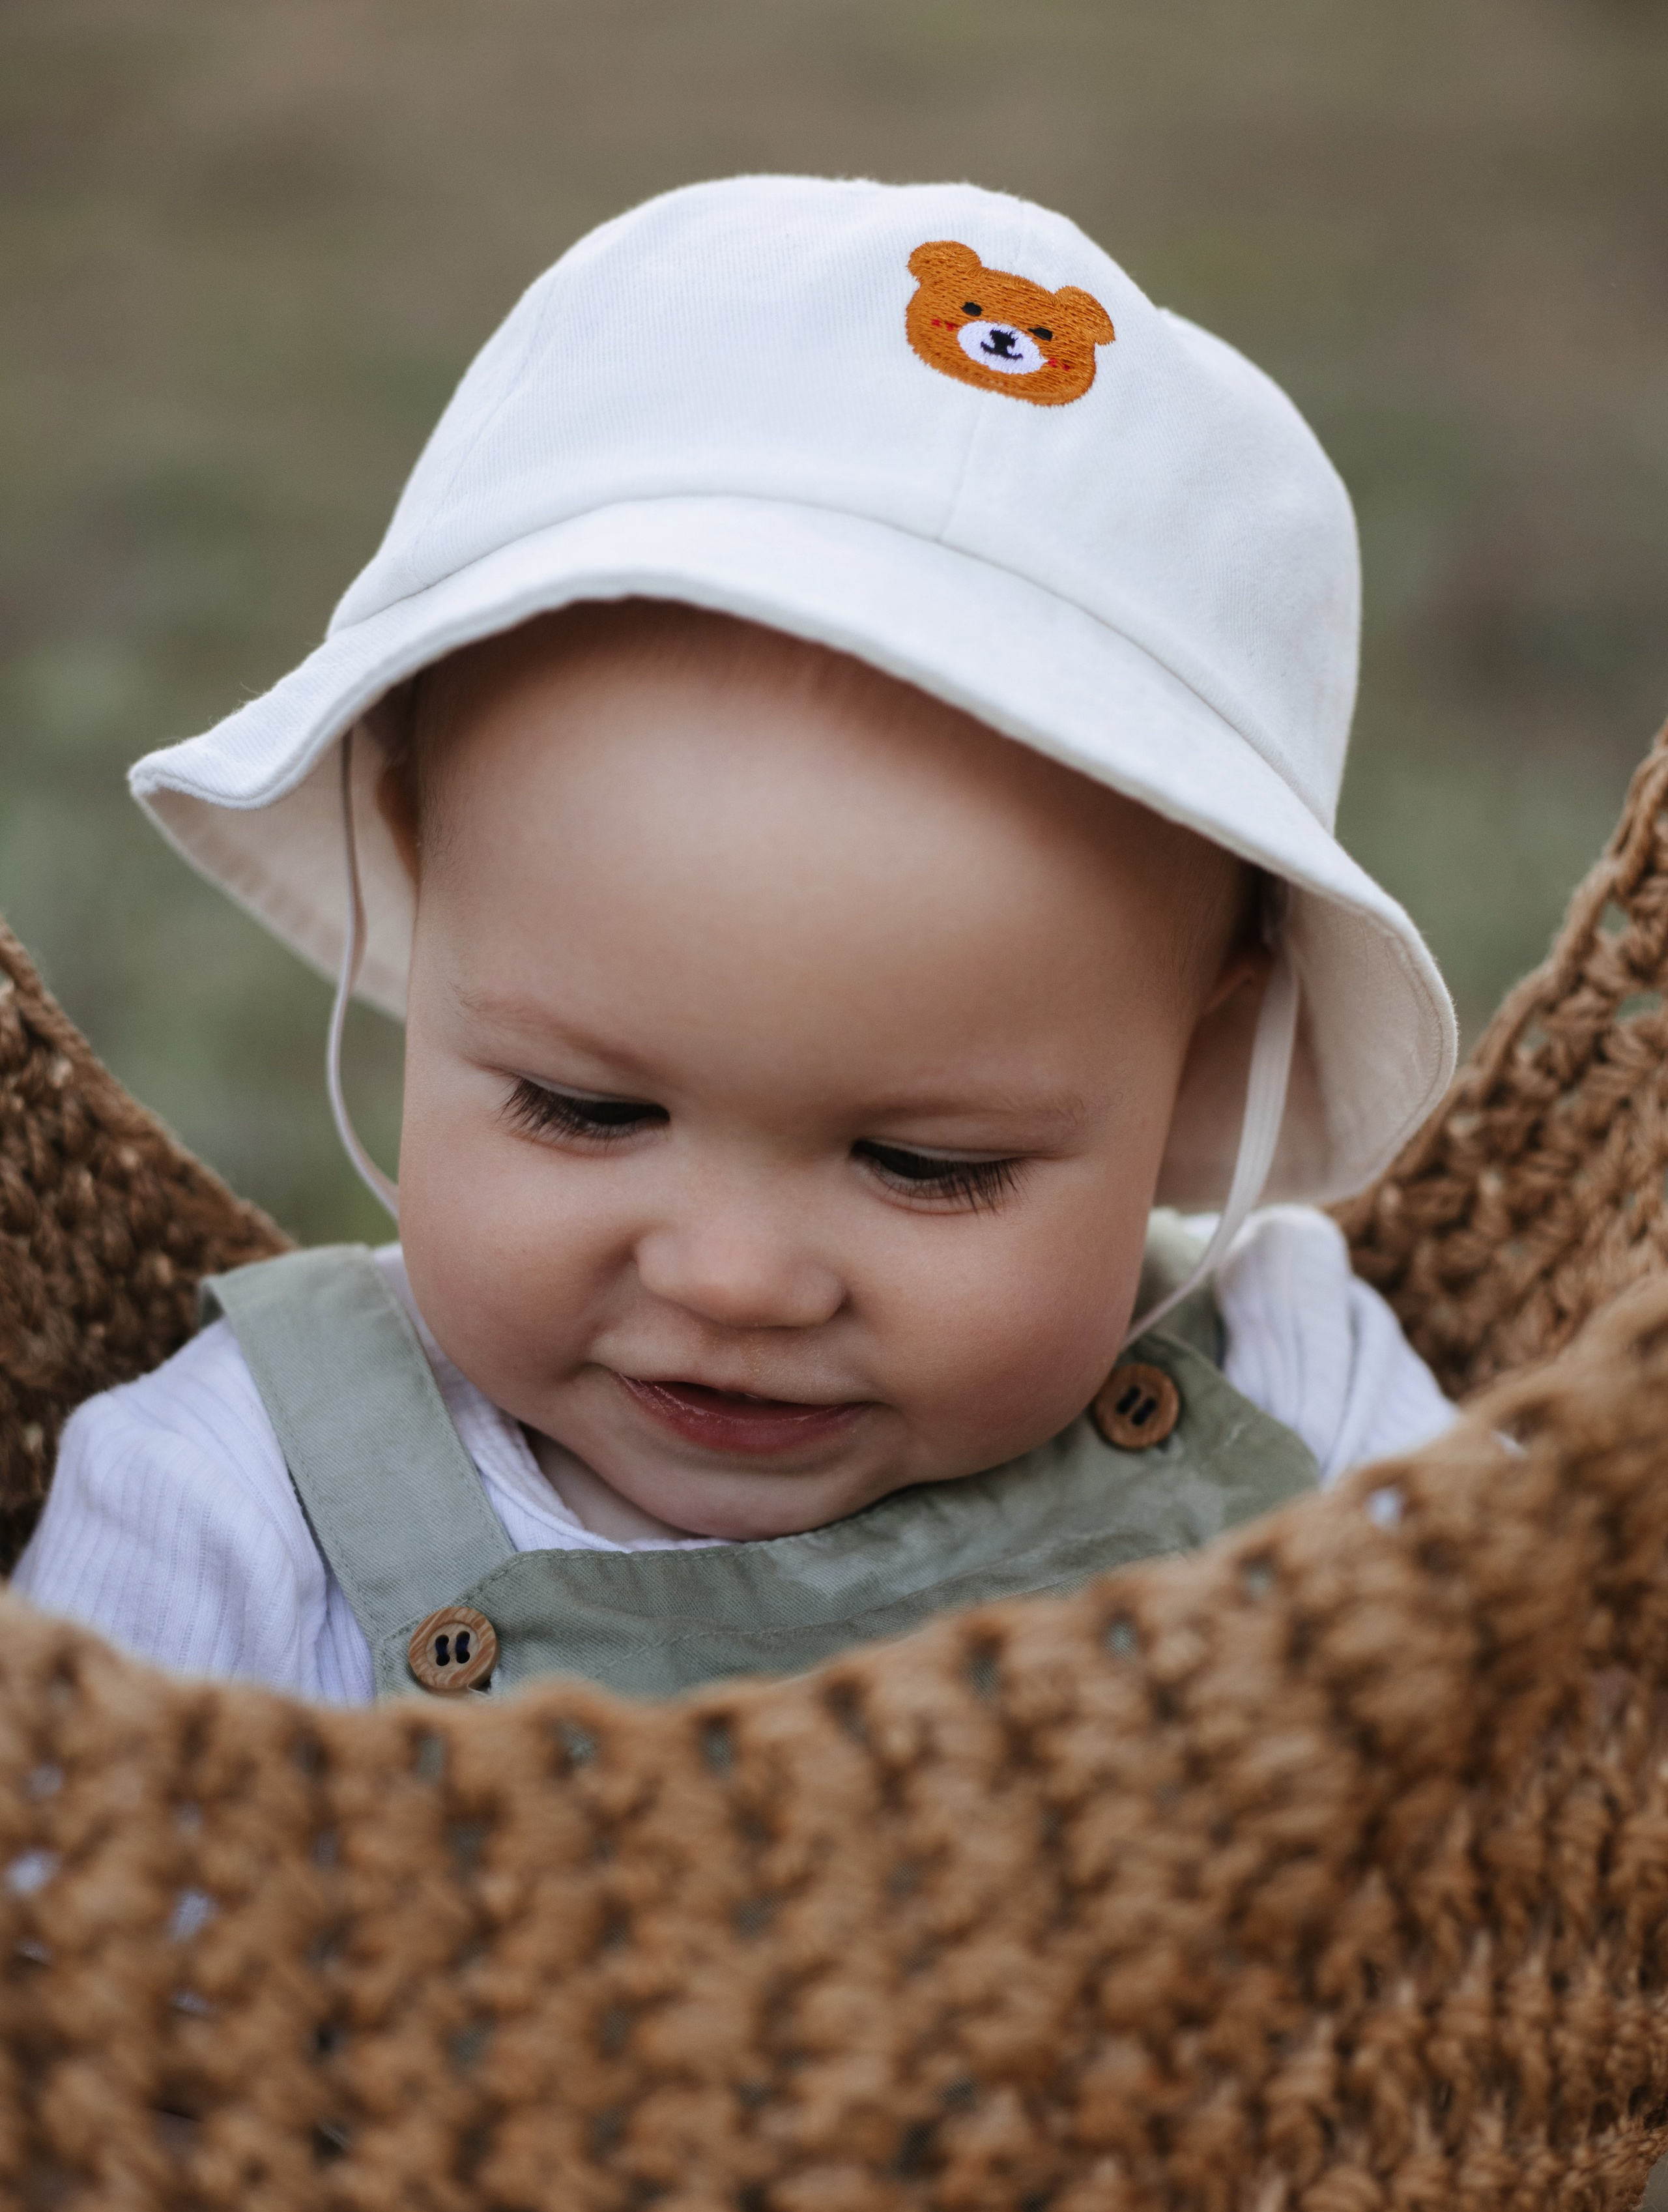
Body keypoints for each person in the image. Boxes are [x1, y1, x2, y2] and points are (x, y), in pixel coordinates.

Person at [14, 174, 1460, 1707]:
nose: (734, 1281)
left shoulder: (1301, 1393)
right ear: (418, 888)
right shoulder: (235, 1512)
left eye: (926, 1163)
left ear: (1205, 1052)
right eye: (585, 1109)